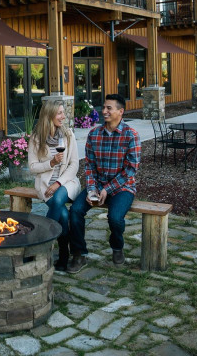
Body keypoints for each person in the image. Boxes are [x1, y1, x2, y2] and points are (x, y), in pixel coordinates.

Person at [67, 94, 140, 274]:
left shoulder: (131, 135)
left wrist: (108, 189)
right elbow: (89, 165)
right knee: (75, 211)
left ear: (120, 111)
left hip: (123, 187)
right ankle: (79, 254)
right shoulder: (94, 134)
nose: (104, 111)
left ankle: (117, 247)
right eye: (104, 107)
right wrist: (92, 188)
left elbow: (131, 169)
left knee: (115, 218)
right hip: (97, 185)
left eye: (109, 108)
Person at [28, 101, 80, 271]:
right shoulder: (36, 138)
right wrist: (50, 163)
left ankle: (41, 241)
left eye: (63, 113)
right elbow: (33, 167)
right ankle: (64, 255)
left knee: (58, 198)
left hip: (67, 183)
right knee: (63, 215)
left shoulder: (68, 134)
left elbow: (74, 165)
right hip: (45, 187)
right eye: (59, 113)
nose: (63, 116)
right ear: (49, 115)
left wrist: (58, 183)